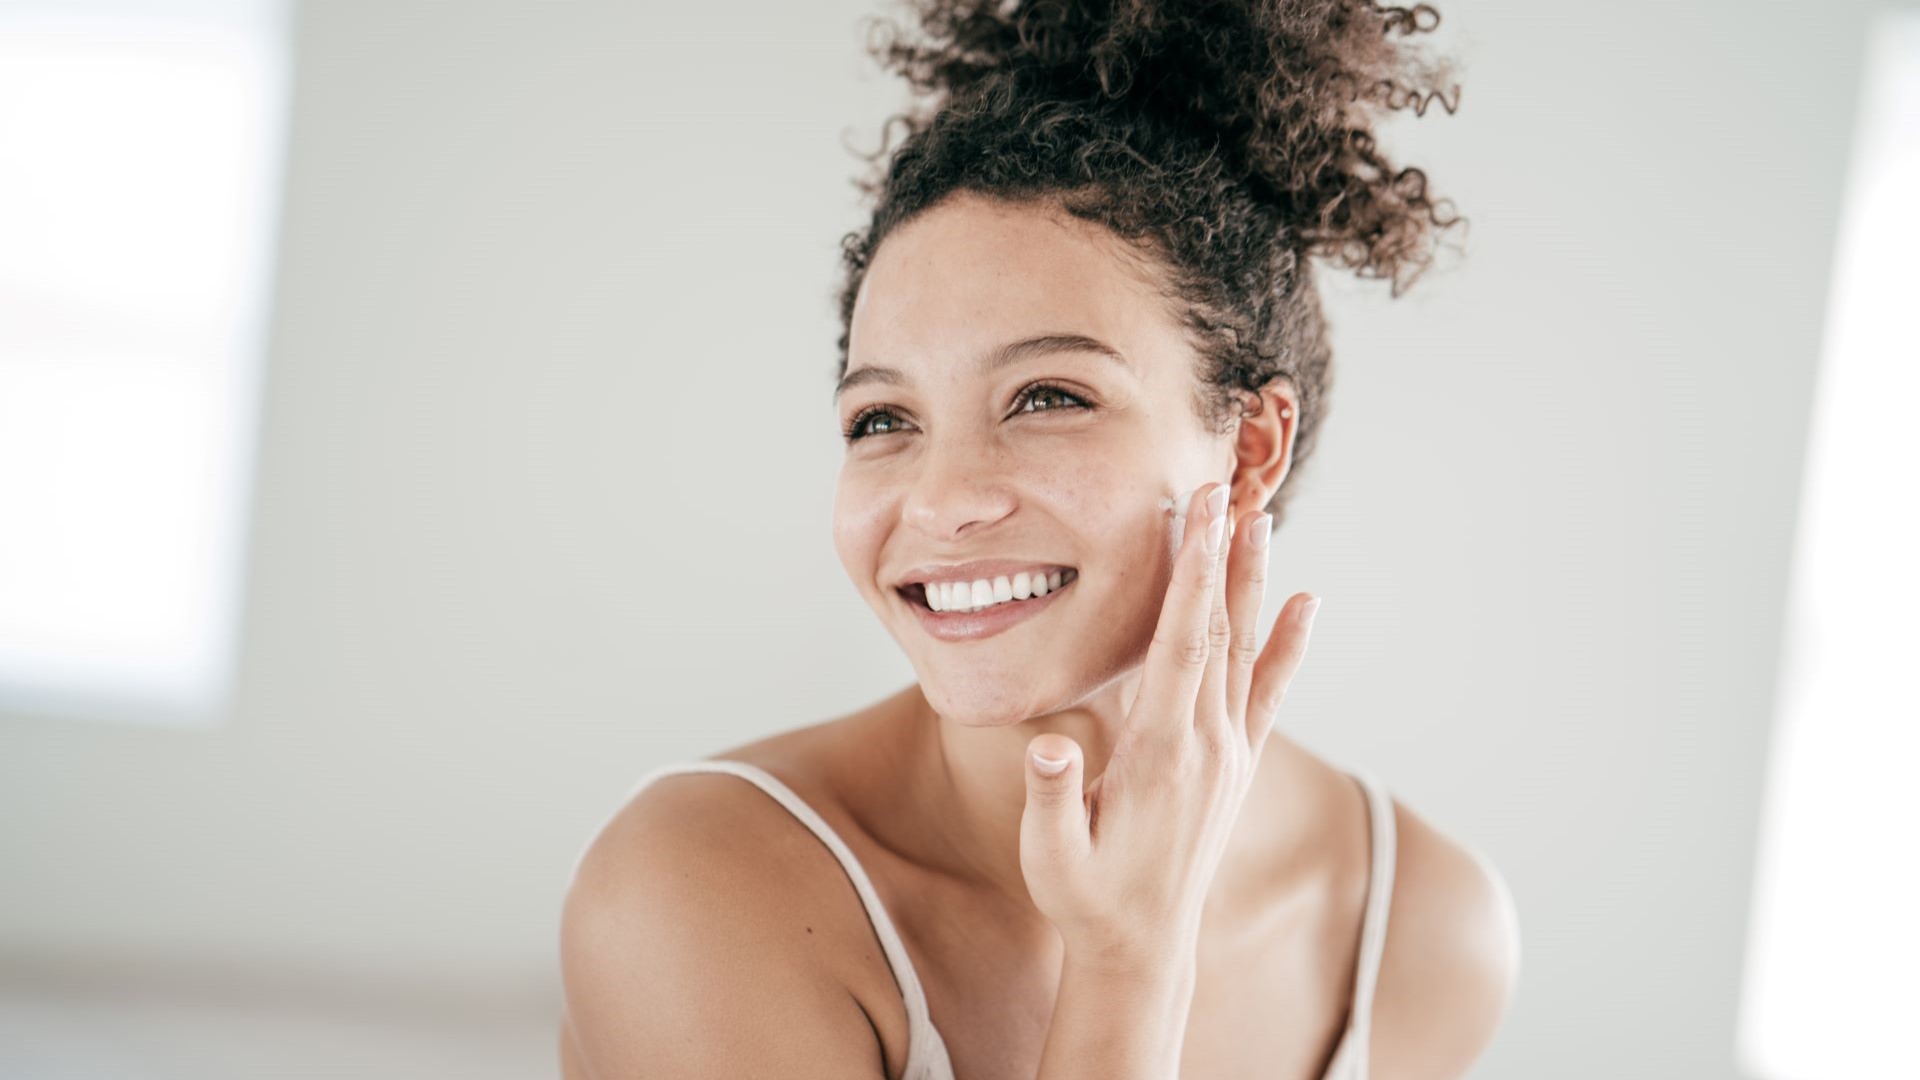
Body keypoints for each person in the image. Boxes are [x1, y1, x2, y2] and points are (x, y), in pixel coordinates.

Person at [559, 1, 1519, 1076]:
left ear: (1250, 447)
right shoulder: (702, 886)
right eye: (883, 420)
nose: (941, 500)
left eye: (1049, 396)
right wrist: (1127, 959)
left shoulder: (1425, 930)